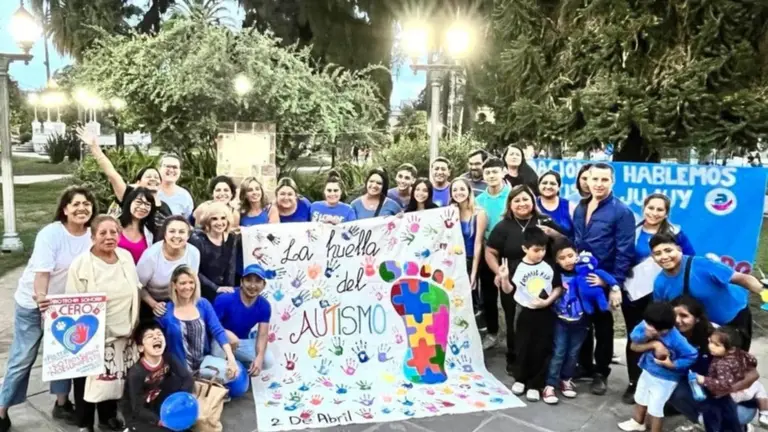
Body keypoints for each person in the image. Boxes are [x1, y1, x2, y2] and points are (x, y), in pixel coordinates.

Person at [0, 186, 96, 432]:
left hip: (65, 308)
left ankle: (62, 404)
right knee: (23, 357)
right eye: (76, 204)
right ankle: (2, 409)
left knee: (64, 353)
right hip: (33, 302)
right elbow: (42, 273)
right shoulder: (51, 234)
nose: (82, 208)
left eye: (86, 204)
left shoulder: (91, 235)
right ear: (65, 209)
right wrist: (41, 298)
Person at [67, 215, 141, 432]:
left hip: (123, 331)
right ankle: (85, 423)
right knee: (86, 380)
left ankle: (107, 417)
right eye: (103, 233)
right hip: (92, 333)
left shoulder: (125, 256)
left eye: (113, 232)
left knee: (113, 377)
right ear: (93, 237)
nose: (109, 237)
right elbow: (73, 303)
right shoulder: (81, 264)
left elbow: (135, 288)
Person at [621, 193, 696, 404]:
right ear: (644, 208)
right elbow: (622, 255)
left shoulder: (676, 234)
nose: (654, 213)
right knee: (637, 336)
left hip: (665, 295)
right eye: (650, 208)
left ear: (666, 213)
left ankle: (665, 380)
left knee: (668, 336)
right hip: (635, 294)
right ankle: (634, 382)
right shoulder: (632, 230)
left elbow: (689, 258)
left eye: (659, 209)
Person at [484, 185, 564, 373]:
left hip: (541, 281)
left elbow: (564, 242)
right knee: (515, 321)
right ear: (510, 204)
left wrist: (553, 234)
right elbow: (490, 251)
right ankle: (515, 358)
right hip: (513, 283)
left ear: (533, 201)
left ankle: (541, 360)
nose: (522, 203)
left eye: (525, 199)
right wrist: (499, 272)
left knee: (541, 321)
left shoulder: (544, 221)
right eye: (517, 200)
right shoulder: (503, 226)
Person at [573, 162, 635, 395]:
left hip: (604, 280)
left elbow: (624, 251)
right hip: (581, 279)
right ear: (587, 181)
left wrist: (612, 283)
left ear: (612, 182)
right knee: (582, 324)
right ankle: (585, 366)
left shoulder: (622, 211)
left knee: (603, 328)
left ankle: (601, 372)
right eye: (595, 179)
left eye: (604, 179)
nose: (599, 184)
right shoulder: (581, 207)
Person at [650, 232, 766, 350]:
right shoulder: (659, 283)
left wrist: (764, 292)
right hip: (701, 330)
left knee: (736, 358)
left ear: (679, 249)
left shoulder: (702, 264)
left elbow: (742, 279)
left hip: (732, 320)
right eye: (658, 253)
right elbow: (662, 314)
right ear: (653, 257)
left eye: (668, 250)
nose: (664, 257)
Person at [665, 296, 759, 431]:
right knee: (672, 390)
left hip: (733, 399)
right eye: (674, 315)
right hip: (704, 389)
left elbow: (753, 374)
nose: (677, 320)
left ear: (697, 318)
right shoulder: (669, 334)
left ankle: (739, 426)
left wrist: (726, 389)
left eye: (684, 316)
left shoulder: (717, 336)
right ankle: (704, 422)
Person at [497, 227, 562, 402]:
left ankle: (535, 383)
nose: (540, 254)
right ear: (525, 248)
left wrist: (547, 302)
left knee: (541, 347)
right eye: (536, 250)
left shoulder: (549, 265)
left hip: (545, 311)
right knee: (522, 345)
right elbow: (509, 290)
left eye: (543, 249)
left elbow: (558, 287)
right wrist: (504, 278)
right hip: (524, 310)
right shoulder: (516, 265)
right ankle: (520, 378)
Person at [618, 302, 698, 432]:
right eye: (651, 327)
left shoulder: (676, 339)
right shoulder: (647, 324)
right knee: (640, 397)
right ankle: (637, 422)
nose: (657, 332)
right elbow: (634, 336)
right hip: (647, 369)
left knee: (656, 408)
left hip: (666, 378)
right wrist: (646, 335)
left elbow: (692, 355)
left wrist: (674, 364)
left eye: (661, 331)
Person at [78, 127, 171, 234]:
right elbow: (112, 174)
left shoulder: (164, 207)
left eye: (156, 177)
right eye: (148, 176)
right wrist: (94, 147)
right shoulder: (128, 196)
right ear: (137, 182)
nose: (153, 179)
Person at [157, 266, 238, 379]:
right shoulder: (166, 311)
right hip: (179, 369)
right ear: (174, 285)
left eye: (191, 282)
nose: (188, 287)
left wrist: (231, 358)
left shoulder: (202, 304)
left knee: (233, 373)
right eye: (183, 283)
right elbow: (156, 338)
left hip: (204, 364)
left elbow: (218, 330)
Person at [122, 321, 195, 432]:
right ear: (141, 348)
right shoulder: (136, 373)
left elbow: (187, 379)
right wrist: (160, 420)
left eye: (159, 334)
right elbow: (137, 408)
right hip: (141, 415)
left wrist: (180, 402)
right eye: (150, 336)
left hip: (160, 405)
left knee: (176, 382)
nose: (156, 337)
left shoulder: (169, 358)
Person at [542, 239, 590, 404]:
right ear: (556, 260)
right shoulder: (554, 275)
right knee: (559, 351)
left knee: (573, 352)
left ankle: (566, 379)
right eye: (562, 258)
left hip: (581, 321)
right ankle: (550, 384)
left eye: (570, 255)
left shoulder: (584, 272)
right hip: (560, 320)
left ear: (577, 254)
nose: (568, 260)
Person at [696, 327, 768, 431]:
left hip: (732, 394)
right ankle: (764, 414)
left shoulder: (722, 364)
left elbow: (724, 385)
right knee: (759, 387)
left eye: (717, 345)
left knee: (718, 403)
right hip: (744, 389)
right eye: (710, 342)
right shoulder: (740, 353)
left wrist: (704, 380)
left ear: (731, 349)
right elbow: (753, 361)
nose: (711, 346)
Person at [213, 264, 274, 376]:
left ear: (264, 285)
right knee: (220, 368)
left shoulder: (264, 306)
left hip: (241, 343)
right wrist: (227, 335)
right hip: (220, 339)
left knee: (267, 360)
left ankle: (240, 368)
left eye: (257, 281)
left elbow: (262, 335)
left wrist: (259, 358)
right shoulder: (225, 299)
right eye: (248, 280)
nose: (252, 285)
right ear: (241, 282)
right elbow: (211, 325)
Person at [475, 157, 511, 346]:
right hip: (487, 251)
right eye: (487, 172)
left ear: (504, 172)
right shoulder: (479, 200)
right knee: (488, 295)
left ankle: (513, 335)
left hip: (510, 251)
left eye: (495, 171)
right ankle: (492, 332)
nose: (491, 175)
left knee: (510, 293)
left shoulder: (513, 195)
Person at [137, 216, 201, 321]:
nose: (177, 235)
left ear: (188, 235)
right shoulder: (151, 255)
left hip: (180, 300)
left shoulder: (194, 253)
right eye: (172, 231)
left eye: (181, 232)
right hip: (151, 302)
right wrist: (154, 304)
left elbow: (193, 282)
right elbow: (138, 286)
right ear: (165, 234)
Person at [450, 178, 488, 314]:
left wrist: (473, 273)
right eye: (455, 190)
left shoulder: (479, 213)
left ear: (469, 191)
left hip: (471, 258)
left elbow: (478, 244)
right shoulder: (450, 212)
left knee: (472, 294)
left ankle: (479, 321)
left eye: (462, 189)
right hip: (453, 259)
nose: (458, 192)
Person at [188, 203, 237, 303]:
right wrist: (216, 288)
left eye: (223, 218)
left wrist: (229, 289)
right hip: (199, 289)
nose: (219, 222)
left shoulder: (231, 237)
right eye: (214, 219)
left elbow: (231, 267)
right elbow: (194, 270)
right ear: (208, 221)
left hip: (222, 289)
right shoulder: (197, 239)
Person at [118, 187, 157, 263]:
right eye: (138, 202)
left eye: (147, 204)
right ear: (129, 202)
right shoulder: (115, 226)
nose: (142, 207)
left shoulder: (150, 233)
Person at [536, 170, 574, 239]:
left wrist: (555, 234)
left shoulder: (570, 206)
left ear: (558, 187)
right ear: (539, 185)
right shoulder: (532, 204)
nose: (548, 186)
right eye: (544, 183)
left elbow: (577, 236)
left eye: (552, 184)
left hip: (565, 245)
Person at [157, 154, 195, 218]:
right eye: (168, 166)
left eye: (175, 167)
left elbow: (187, 220)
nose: (171, 170)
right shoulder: (151, 191)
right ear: (159, 169)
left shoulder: (185, 196)